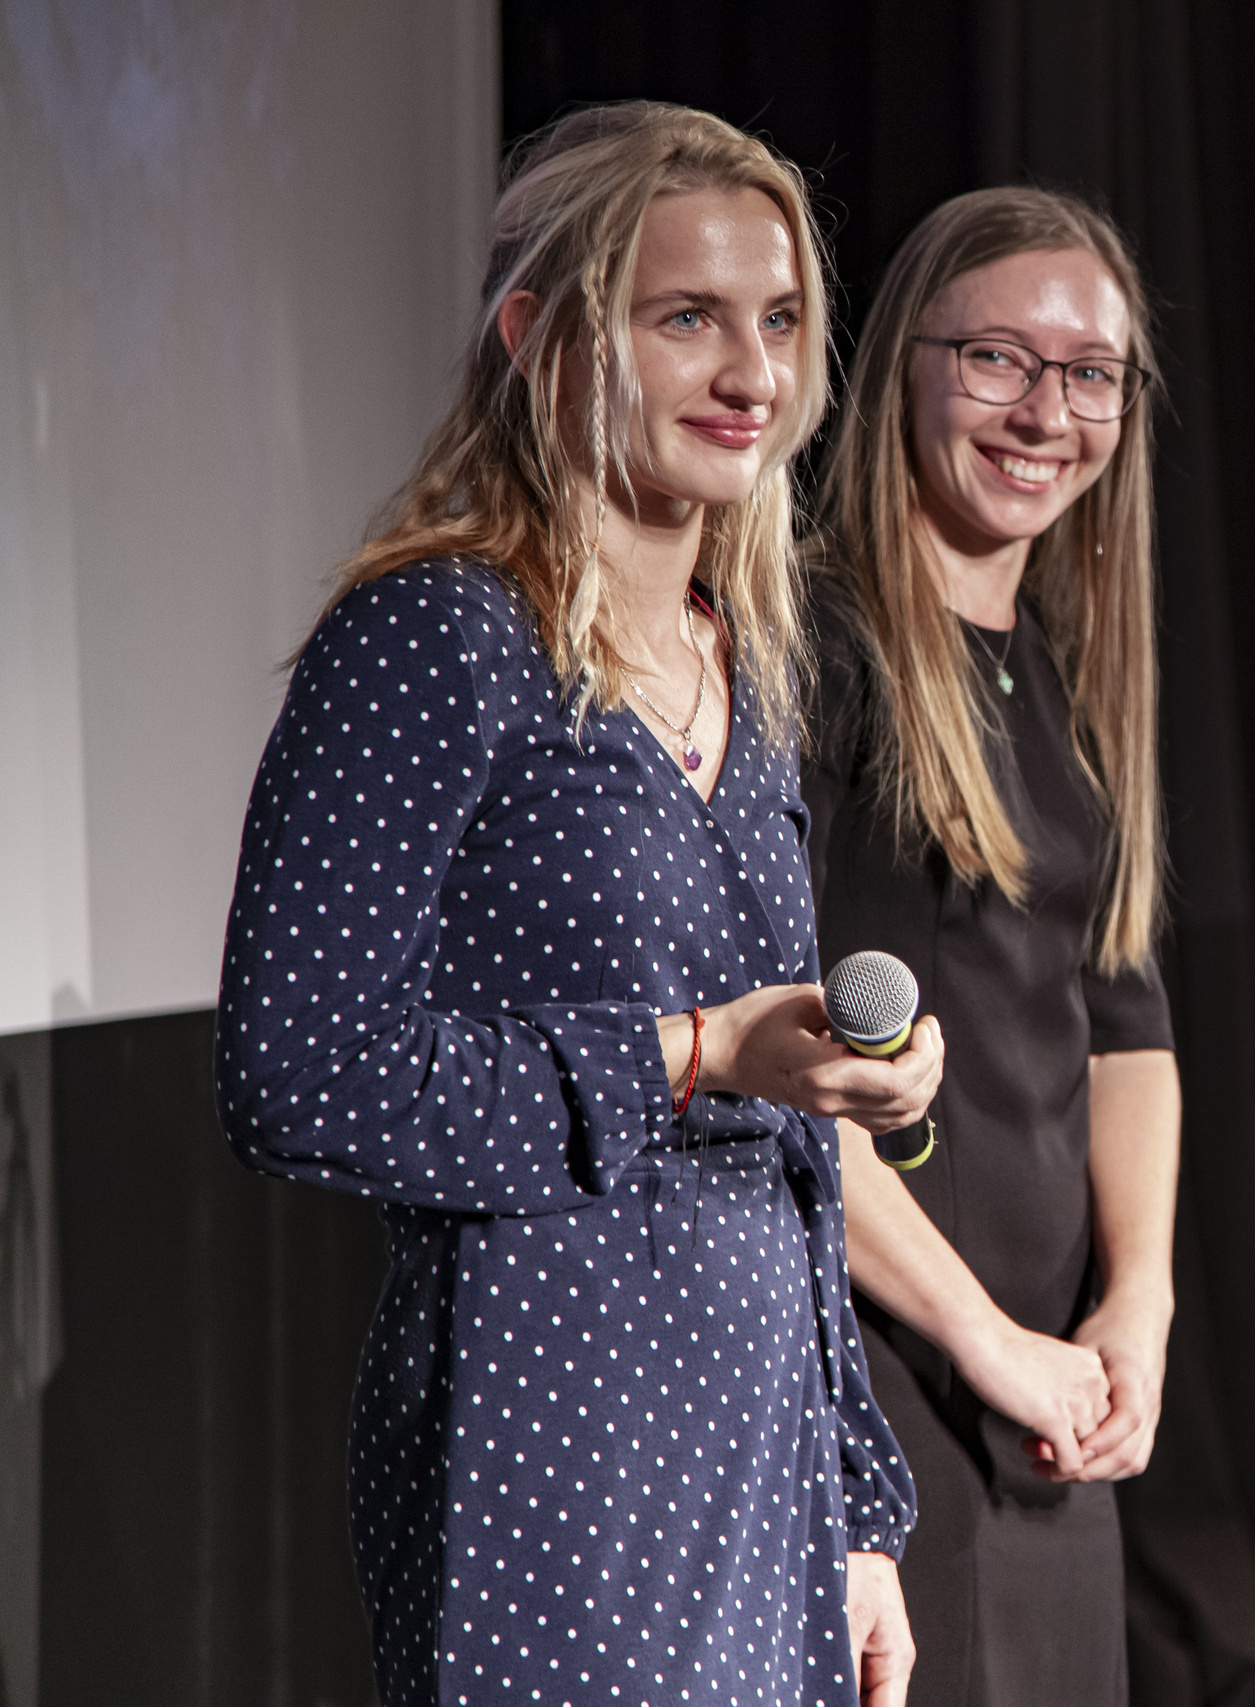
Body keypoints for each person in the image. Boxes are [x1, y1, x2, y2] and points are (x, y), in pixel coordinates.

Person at [214, 103, 941, 1707]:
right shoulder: (434, 640)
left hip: (761, 1459)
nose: (752, 373)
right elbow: (298, 1077)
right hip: (546, 1437)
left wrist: (860, 1506)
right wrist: (687, 1057)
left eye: (778, 321)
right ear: (538, 334)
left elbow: (794, 1164)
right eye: (687, 318)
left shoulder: (741, 666)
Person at [801, 188, 1181, 1707]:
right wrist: (981, 1339)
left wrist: (1133, 1308)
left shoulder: (1066, 680)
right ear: (903, 364)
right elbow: (792, 1089)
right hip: (894, 1396)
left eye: (1091, 374)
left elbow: (1127, 1027)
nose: (1047, 411)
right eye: (998, 361)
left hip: (1048, 1409)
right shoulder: (820, 656)